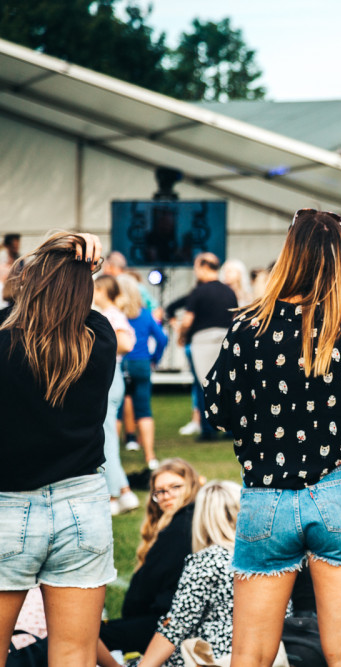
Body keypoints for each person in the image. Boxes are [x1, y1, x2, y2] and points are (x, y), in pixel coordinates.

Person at [202, 208, 341, 667]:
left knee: (250, 655)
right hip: (338, 496)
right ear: (340, 261)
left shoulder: (247, 331)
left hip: (265, 497)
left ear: (288, 256)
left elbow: (217, 411)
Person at [0, 232, 116, 667]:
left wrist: (54, 247)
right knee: (74, 655)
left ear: (30, 280)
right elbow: (85, 307)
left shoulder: (4, 343)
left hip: (9, 506)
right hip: (81, 506)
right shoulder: (100, 339)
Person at [97, 460, 203, 667]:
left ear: (191, 486)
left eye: (175, 487)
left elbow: (144, 588)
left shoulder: (181, 526)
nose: (167, 495)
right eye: (160, 492)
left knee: (88, 635)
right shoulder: (193, 520)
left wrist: (131, 620)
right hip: (180, 620)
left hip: (171, 624)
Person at [134, 480, 242, 667]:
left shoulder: (208, 560)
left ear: (203, 518)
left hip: (210, 658)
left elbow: (176, 626)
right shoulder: (265, 557)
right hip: (260, 654)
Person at [93, 275, 140, 514]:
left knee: (108, 438)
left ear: (102, 291)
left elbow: (125, 344)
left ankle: (115, 494)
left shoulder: (111, 315)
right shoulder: (112, 314)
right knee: (108, 435)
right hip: (112, 378)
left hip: (109, 377)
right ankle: (123, 491)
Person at [177, 253, 237, 441]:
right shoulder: (229, 291)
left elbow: (187, 321)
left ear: (204, 267)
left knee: (205, 384)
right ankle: (230, 429)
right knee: (226, 383)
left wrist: (181, 336)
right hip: (225, 338)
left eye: (196, 267)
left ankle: (208, 429)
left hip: (202, 340)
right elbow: (235, 318)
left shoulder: (198, 291)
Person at [117, 274, 169, 469]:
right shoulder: (145, 314)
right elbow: (162, 339)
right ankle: (150, 456)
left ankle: (113, 458)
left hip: (120, 362)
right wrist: (154, 358)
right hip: (142, 363)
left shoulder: (114, 315)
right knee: (144, 410)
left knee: (117, 411)